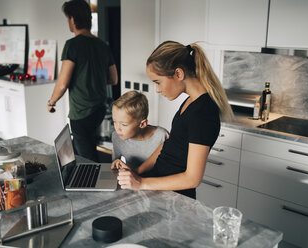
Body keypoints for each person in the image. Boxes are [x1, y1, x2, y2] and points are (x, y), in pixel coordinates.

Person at [112, 41, 233, 199]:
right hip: (158, 184)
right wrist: (137, 172)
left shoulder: (203, 112)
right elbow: (170, 144)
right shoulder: (191, 101)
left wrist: (141, 182)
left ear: (178, 74)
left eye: (158, 82)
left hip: (176, 197)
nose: (157, 89)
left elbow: (192, 178)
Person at [47, 0, 118, 162]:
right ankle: (75, 176)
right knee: (79, 147)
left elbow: (63, 83)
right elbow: (113, 79)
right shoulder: (102, 45)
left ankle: (92, 182)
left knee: (87, 158)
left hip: (80, 111)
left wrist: (51, 102)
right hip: (99, 109)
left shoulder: (72, 45)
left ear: (72, 19)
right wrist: (94, 79)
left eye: (67, 19)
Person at [111, 90, 169, 169]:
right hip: (132, 179)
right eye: (114, 122)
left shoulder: (161, 136)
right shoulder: (116, 137)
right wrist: (117, 163)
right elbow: (115, 163)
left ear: (142, 124)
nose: (117, 129)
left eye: (124, 124)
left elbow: (170, 166)